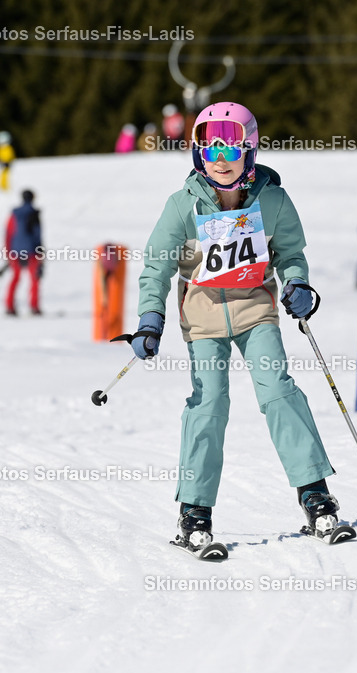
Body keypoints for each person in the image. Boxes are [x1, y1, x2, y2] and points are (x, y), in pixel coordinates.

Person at [134, 101, 341, 550]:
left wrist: (298, 284)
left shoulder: (272, 198)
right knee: (209, 405)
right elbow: (156, 264)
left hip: (255, 308)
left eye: (231, 150)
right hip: (204, 316)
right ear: (198, 154)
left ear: (249, 151)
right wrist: (151, 318)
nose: (221, 161)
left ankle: (316, 497)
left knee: (278, 391)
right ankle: (194, 512)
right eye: (211, 152)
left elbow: (291, 252)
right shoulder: (183, 205)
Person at [0, 189, 42, 315]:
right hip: (32, 252)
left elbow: (8, 234)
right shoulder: (34, 214)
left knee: (15, 278)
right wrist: (41, 252)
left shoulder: (14, 214)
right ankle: (34, 307)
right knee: (34, 279)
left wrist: (8, 252)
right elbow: (37, 235)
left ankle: (9, 306)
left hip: (15, 252)